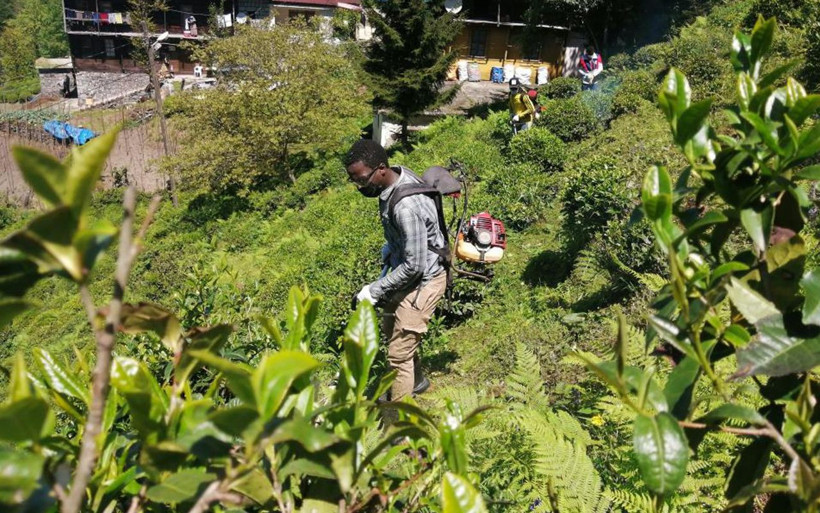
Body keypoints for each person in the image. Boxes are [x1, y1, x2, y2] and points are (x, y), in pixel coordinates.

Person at [345, 139, 447, 411]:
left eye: (362, 179)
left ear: (380, 170)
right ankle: (417, 381)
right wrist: (392, 245)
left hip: (424, 280)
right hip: (408, 270)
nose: (360, 186)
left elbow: (415, 266)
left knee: (397, 357)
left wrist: (374, 290)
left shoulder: (405, 207)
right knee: (393, 327)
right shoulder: (397, 175)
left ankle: (399, 423)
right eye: (354, 181)